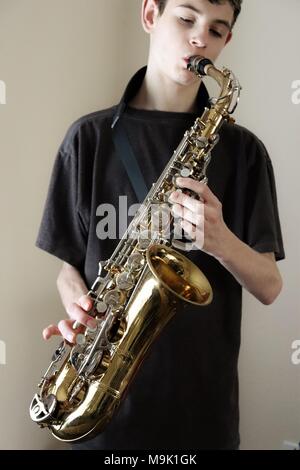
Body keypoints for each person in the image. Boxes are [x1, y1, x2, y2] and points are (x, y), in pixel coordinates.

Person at [37, 0, 285, 450]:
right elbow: (67, 267)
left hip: (202, 414)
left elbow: (270, 285)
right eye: (186, 18)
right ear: (151, 15)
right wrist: (76, 302)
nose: (199, 38)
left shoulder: (246, 152)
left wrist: (220, 241)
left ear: (227, 40)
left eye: (216, 29)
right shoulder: (86, 139)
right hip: (102, 410)